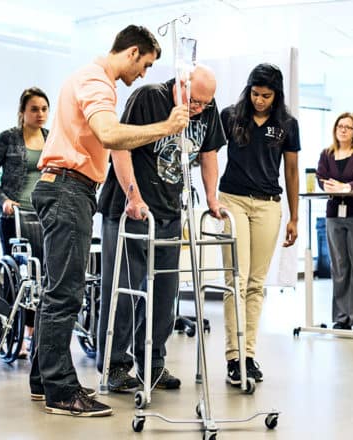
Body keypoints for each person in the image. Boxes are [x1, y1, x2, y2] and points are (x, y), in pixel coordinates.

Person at [27, 25, 189, 418]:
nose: (144, 74)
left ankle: (43, 379)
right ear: (132, 52)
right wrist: (167, 127)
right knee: (66, 294)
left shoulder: (92, 80)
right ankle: (61, 392)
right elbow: (109, 134)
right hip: (69, 188)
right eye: (146, 64)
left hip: (68, 187)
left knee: (57, 291)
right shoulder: (96, 81)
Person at [96, 64, 226, 393]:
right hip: (130, 210)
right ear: (181, 85)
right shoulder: (148, 98)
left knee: (164, 294)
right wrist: (133, 196)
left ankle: (152, 364)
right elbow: (119, 145)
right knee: (123, 291)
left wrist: (212, 197)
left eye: (203, 104)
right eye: (193, 101)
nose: (197, 109)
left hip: (168, 211)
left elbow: (208, 154)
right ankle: (114, 365)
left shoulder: (208, 110)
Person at [218, 63, 300, 386]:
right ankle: (233, 357)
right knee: (234, 279)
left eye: (266, 96)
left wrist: (294, 216)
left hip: (268, 205)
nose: (259, 101)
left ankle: (248, 355)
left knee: (255, 283)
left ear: (276, 96)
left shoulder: (288, 126)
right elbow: (209, 153)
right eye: (255, 94)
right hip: (233, 200)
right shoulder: (231, 116)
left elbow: (292, 171)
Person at [0, 87, 50, 357]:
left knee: (40, 277)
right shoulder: (8, 138)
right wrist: (4, 200)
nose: (40, 114)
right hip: (15, 218)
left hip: (43, 217)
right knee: (17, 278)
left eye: (44, 109)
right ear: (22, 112)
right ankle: (14, 335)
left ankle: (34, 334)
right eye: (34, 109)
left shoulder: (51, 138)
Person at [315, 112, 353, 331]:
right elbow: (321, 178)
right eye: (340, 126)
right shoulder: (327, 154)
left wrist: (345, 187)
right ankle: (341, 317)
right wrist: (330, 187)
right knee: (339, 267)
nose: (343, 129)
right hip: (335, 215)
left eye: (348, 127)